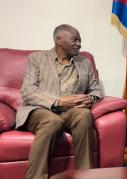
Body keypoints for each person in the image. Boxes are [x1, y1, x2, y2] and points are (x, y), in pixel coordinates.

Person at [15, 24, 103, 179]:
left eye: (80, 41)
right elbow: (28, 92)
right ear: (59, 40)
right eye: (75, 40)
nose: (79, 44)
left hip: (71, 112)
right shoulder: (37, 58)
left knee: (84, 115)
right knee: (53, 121)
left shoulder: (84, 62)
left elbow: (96, 91)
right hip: (40, 110)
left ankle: (86, 175)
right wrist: (58, 101)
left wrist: (87, 99)